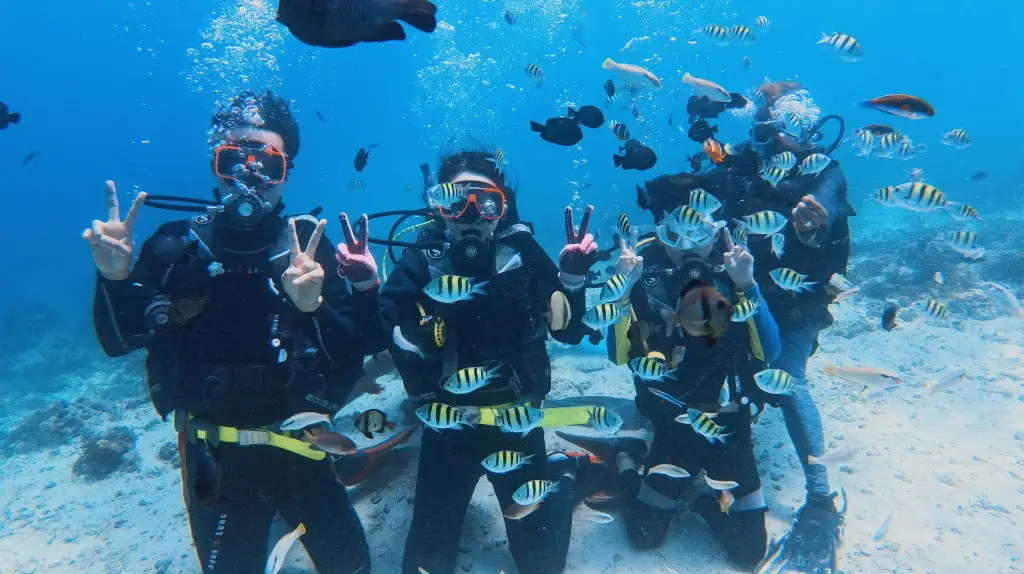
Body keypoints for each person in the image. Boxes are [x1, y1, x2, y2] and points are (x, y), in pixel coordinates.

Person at [86, 89, 383, 574]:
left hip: (302, 444)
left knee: (350, 566)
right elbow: (119, 342)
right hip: (211, 452)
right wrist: (113, 279)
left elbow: (353, 348)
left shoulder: (307, 245)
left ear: (286, 173)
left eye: (268, 164)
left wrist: (313, 307)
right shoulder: (176, 244)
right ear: (215, 167)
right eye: (233, 159)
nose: (250, 175)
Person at [377, 149, 596, 574]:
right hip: (446, 432)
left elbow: (567, 331)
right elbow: (379, 324)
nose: (472, 214)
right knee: (425, 565)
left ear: (502, 207)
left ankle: (566, 477)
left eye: (487, 201)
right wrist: (365, 284)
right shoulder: (424, 258)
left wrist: (571, 280)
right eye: (457, 201)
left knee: (542, 565)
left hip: (517, 424)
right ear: (439, 209)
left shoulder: (523, 253)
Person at [695, 81, 855, 570]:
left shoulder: (822, 170)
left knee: (786, 379)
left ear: (802, 126)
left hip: (794, 308)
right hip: (737, 298)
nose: (770, 137)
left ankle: (822, 499)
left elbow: (827, 202)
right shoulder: (742, 163)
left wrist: (816, 220)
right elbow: (705, 197)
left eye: (778, 126)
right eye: (762, 127)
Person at [603, 178, 782, 571]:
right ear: (660, 234)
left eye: (698, 231)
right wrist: (620, 290)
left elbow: (770, 351)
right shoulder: (644, 281)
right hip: (674, 421)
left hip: (731, 423)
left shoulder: (735, 270)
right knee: (643, 536)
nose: (687, 247)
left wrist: (747, 285)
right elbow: (619, 355)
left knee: (750, 553)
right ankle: (628, 459)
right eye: (674, 234)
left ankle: (703, 498)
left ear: (714, 231)